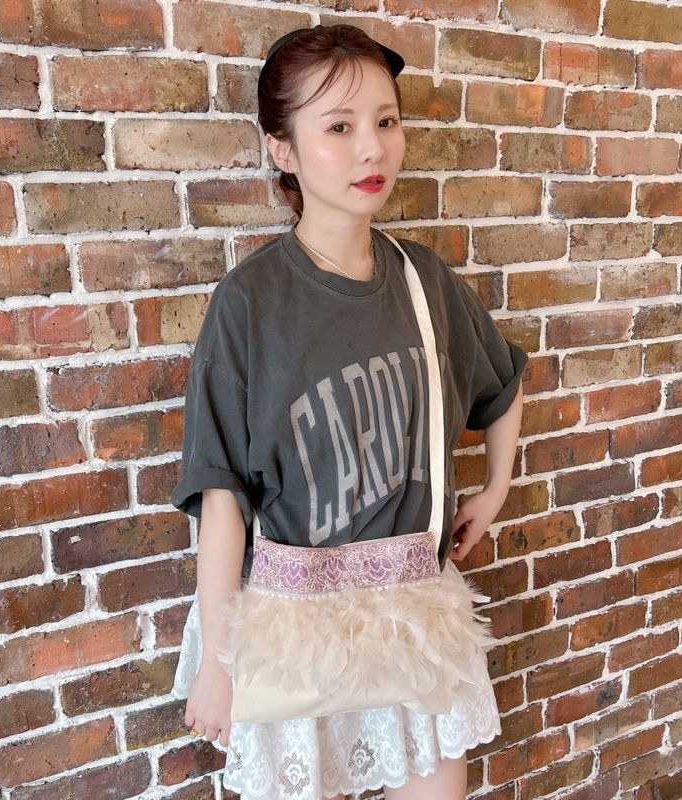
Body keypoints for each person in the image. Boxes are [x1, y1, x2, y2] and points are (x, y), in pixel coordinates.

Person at [169, 23, 528, 800]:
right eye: (338, 127)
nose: (373, 149)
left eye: (386, 121)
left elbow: (502, 385)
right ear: (283, 150)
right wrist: (218, 664)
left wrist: (495, 489)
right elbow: (220, 496)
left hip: (416, 625)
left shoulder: (424, 283)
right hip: (296, 634)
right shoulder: (249, 305)